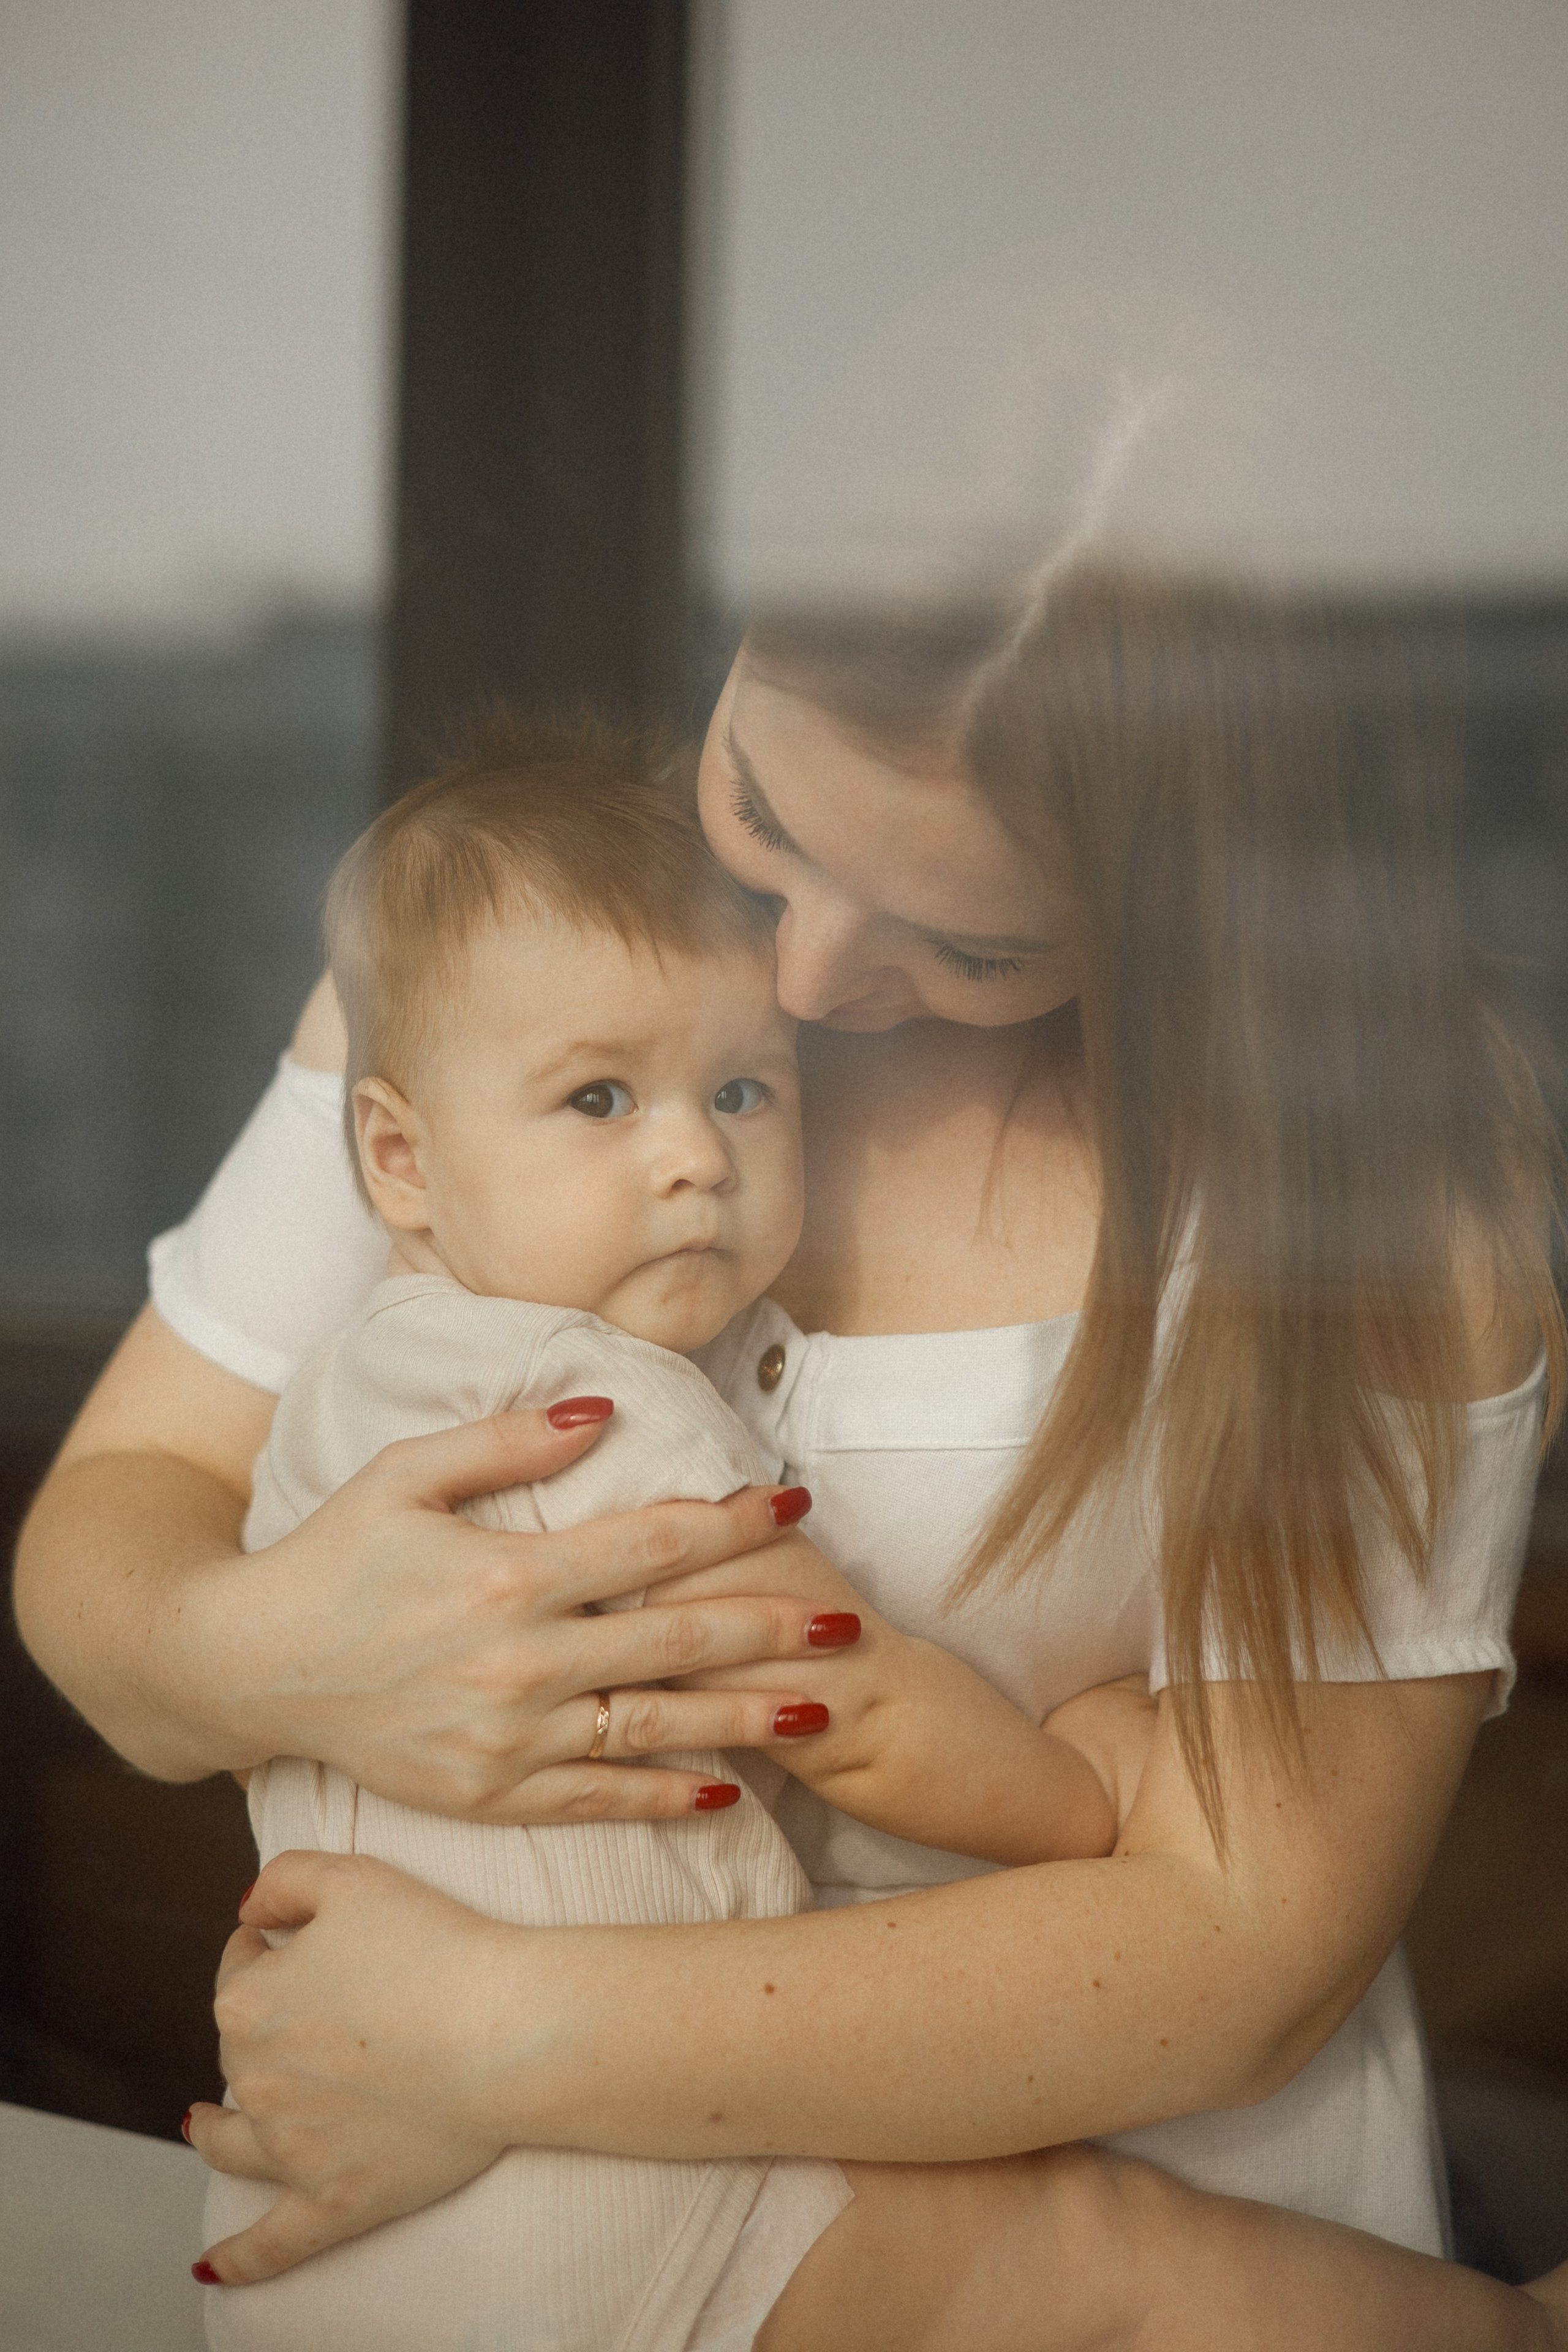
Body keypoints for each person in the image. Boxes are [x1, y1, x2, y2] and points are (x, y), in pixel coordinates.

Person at [15, 556, 1568, 2351]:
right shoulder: (519, 975)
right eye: (762, 808)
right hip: (513, 2183)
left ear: (1181, 902)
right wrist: (300, 1655)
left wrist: (490, 2034)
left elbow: (1238, 1960)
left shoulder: (1366, 1198)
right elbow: (111, 1550)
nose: (812, 969)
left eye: (973, 943)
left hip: (1159, 2258)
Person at [201, 712, 1155, 2351]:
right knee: (1123, 2268)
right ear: (400, 1157)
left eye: (741, 1089)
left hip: (353, 2181)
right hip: (604, 2199)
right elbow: (842, 1700)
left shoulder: (347, 1403)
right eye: (597, 1099)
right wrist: (1084, 1789)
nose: (694, 1158)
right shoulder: (580, 1398)